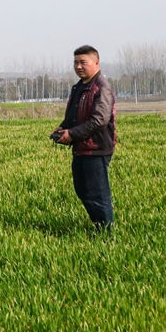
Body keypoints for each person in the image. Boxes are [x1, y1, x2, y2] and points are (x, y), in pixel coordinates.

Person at [51, 45, 116, 231]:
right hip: (81, 146)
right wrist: (64, 127)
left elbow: (99, 121)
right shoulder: (80, 86)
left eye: (83, 62)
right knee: (83, 190)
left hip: (96, 148)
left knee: (98, 193)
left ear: (96, 63)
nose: (78, 66)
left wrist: (71, 134)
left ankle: (106, 232)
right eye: (75, 63)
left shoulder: (101, 88)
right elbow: (75, 114)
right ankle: (98, 225)